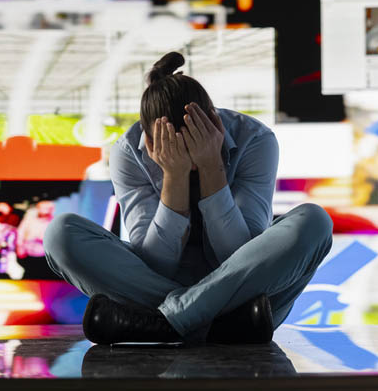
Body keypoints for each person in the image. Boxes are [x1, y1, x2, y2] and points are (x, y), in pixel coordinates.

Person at [44, 51, 333, 345]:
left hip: (244, 292)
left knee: (314, 221)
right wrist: (174, 176)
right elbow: (157, 264)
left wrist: (211, 168)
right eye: (172, 148)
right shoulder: (129, 151)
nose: (189, 160)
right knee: (60, 234)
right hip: (243, 314)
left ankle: (166, 323)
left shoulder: (255, 139)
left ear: (214, 122)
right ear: (149, 139)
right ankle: (207, 323)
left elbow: (239, 254)